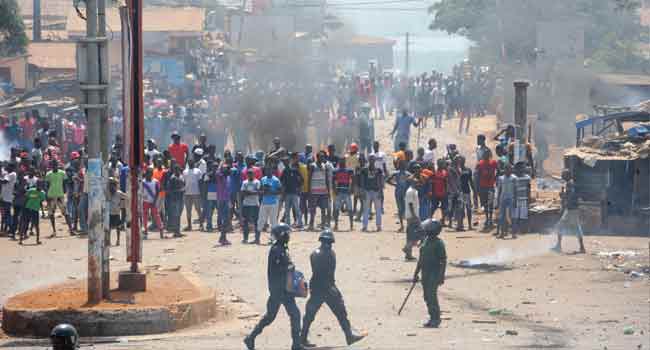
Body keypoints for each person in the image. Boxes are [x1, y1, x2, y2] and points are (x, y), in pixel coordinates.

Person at [300, 229, 365, 348]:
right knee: (340, 313)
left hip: (317, 288)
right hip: (328, 288)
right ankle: (349, 336)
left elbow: (317, 273)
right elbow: (329, 275)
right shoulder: (331, 254)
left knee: (309, 315)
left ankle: (302, 338)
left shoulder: (314, 254)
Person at [244, 224, 303, 350]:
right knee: (281, 316)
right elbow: (276, 270)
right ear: (282, 235)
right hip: (279, 290)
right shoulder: (276, 250)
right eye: (287, 234)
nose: (289, 236)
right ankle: (251, 338)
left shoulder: (282, 248)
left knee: (281, 316)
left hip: (283, 289)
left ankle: (251, 338)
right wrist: (288, 268)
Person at [412, 219, 447, 328]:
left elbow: (443, 261)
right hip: (425, 273)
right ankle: (432, 317)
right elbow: (420, 260)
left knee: (432, 296)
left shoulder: (439, 243)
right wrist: (416, 273)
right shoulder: (425, 241)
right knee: (427, 296)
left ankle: (436, 319)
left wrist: (441, 276)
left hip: (434, 273)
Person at [553, 169, 586, 254]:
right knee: (576, 228)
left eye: (563, 174)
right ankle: (581, 247)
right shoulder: (571, 182)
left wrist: (563, 197)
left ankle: (558, 246)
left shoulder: (570, 183)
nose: (562, 176)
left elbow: (571, 195)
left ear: (568, 175)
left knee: (560, 226)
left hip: (571, 209)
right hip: (572, 209)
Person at [46, 161, 72, 237]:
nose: (54, 166)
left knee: (65, 213)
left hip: (60, 196)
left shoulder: (62, 173)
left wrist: (64, 190)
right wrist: (47, 196)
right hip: (51, 196)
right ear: (51, 166)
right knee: (51, 214)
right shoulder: (48, 174)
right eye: (53, 165)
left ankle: (71, 230)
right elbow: (47, 185)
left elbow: (65, 182)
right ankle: (54, 231)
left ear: (57, 165)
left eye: (55, 165)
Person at [386, 160, 411, 232]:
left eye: (403, 165)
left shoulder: (406, 174)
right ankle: (403, 226)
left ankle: (404, 226)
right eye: (402, 165)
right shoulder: (406, 174)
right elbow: (387, 180)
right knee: (401, 209)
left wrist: (395, 184)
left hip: (401, 192)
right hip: (401, 193)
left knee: (403, 209)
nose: (402, 166)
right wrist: (394, 184)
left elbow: (388, 180)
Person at [308, 151, 331, 231]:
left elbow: (327, 180)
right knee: (313, 209)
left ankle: (323, 224)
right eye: (321, 157)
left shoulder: (325, 166)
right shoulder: (312, 166)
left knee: (323, 209)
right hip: (314, 191)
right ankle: (311, 224)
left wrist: (328, 192)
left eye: (323, 157)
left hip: (323, 191)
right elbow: (309, 179)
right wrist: (309, 191)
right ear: (317, 157)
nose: (323, 158)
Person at [360, 154, 383, 232]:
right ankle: (364, 226)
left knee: (378, 210)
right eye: (370, 159)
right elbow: (362, 181)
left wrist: (380, 192)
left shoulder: (378, 170)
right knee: (365, 209)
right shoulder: (364, 170)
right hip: (367, 191)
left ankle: (379, 226)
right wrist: (362, 191)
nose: (372, 161)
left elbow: (380, 181)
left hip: (376, 191)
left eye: (373, 159)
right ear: (368, 160)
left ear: (375, 160)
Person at [281, 153, 304, 229]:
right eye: (284, 162)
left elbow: (301, 180)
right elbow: (281, 182)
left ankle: (300, 223)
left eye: (286, 161)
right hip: (287, 193)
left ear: (289, 161)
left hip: (294, 193)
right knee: (287, 210)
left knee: (297, 209)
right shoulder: (284, 171)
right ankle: (288, 225)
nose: (285, 163)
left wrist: (299, 188)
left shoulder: (294, 170)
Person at [258, 167, 282, 238]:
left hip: (273, 202)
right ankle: (257, 238)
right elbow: (260, 190)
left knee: (273, 221)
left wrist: (271, 191)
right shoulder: (263, 179)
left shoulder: (276, 180)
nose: (268, 171)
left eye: (270, 169)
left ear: (272, 170)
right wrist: (263, 191)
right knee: (261, 220)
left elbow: (280, 191)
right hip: (264, 202)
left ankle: (273, 238)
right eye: (267, 170)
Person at [476, 150, 497, 229]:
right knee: (485, 203)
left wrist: (495, 178)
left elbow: (498, 170)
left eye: (487, 154)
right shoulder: (480, 164)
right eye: (485, 154)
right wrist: (477, 187)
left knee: (490, 203)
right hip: (483, 187)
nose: (486, 155)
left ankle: (490, 218)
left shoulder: (493, 163)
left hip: (490, 186)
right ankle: (487, 218)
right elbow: (477, 176)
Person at [332, 157, 354, 231]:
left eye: (343, 161)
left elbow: (352, 180)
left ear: (345, 162)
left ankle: (351, 225)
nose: (342, 162)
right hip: (339, 192)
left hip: (346, 192)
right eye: (341, 161)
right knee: (337, 209)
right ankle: (336, 225)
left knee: (350, 209)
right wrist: (335, 190)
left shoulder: (349, 171)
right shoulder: (335, 171)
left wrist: (351, 189)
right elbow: (333, 181)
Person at [142, 168, 164, 239]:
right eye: (148, 173)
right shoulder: (143, 182)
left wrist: (155, 201)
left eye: (150, 173)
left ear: (152, 174)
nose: (149, 174)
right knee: (145, 216)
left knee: (156, 216)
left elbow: (158, 191)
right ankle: (145, 231)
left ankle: (161, 230)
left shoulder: (156, 181)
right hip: (145, 201)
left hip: (153, 201)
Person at [241, 168, 261, 244]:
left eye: (251, 173)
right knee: (245, 221)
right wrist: (252, 192)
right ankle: (245, 238)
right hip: (246, 204)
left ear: (254, 174)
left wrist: (248, 192)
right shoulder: (244, 182)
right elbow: (243, 192)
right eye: (248, 174)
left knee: (256, 222)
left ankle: (257, 238)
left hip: (255, 204)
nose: (250, 175)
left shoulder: (257, 182)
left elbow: (258, 192)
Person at [496, 164, 516, 239]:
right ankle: (502, 233)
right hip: (503, 199)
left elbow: (515, 190)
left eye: (509, 169)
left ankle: (513, 233)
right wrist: (498, 201)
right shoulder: (501, 178)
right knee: (502, 216)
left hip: (511, 199)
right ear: (504, 170)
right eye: (506, 169)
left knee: (512, 216)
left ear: (511, 170)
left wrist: (515, 201)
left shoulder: (514, 178)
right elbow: (499, 190)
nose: (508, 170)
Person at [403, 178, 420, 261]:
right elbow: (410, 204)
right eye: (416, 182)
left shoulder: (414, 191)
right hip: (411, 216)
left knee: (411, 235)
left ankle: (408, 254)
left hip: (414, 215)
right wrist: (414, 216)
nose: (418, 184)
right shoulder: (410, 191)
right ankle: (407, 248)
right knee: (416, 234)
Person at [182, 160, 203, 232]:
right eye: (189, 162)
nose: (191, 163)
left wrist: (201, 192)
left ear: (194, 163)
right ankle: (189, 225)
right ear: (188, 163)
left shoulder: (198, 171)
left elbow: (200, 181)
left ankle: (201, 224)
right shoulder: (185, 172)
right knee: (188, 210)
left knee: (198, 209)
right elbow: (183, 182)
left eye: (192, 162)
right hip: (187, 193)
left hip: (196, 192)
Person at [165, 165, 185, 237]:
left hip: (180, 198)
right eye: (176, 170)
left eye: (178, 170)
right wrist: (179, 190)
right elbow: (169, 189)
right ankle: (176, 231)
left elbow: (183, 185)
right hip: (175, 199)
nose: (177, 171)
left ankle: (177, 231)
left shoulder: (181, 176)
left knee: (178, 215)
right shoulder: (172, 178)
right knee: (176, 215)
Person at [456, 156, 475, 231]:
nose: (461, 162)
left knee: (468, 208)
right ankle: (460, 225)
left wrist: (474, 191)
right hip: (460, 192)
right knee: (460, 209)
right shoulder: (457, 170)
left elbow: (471, 181)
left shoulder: (468, 170)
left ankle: (470, 225)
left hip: (467, 191)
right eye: (460, 161)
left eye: (462, 160)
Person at [107, 177, 127, 246]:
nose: (112, 187)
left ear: (116, 186)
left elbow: (126, 197)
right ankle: (108, 240)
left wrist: (122, 205)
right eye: (110, 185)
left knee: (117, 227)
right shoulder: (107, 193)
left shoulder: (119, 193)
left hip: (117, 213)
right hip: (109, 213)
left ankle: (118, 240)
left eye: (113, 185)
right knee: (108, 228)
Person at [216, 165, 232, 245]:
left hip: (227, 199)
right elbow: (218, 173)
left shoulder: (227, 177)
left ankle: (223, 237)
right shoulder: (220, 176)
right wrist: (221, 168)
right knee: (224, 219)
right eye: (225, 169)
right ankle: (223, 237)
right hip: (222, 200)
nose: (228, 170)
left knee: (227, 219)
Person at [513, 162, 531, 235]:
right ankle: (516, 229)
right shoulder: (514, 178)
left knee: (523, 215)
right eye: (522, 168)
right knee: (515, 216)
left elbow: (528, 189)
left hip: (524, 199)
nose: (523, 169)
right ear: (517, 169)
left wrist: (529, 198)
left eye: (524, 168)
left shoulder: (527, 177)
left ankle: (523, 229)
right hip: (516, 199)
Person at [431, 159, 448, 225]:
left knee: (444, 208)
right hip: (435, 193)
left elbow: (446, 182)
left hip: (443, 193)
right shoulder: (434, 172)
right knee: (433, 207)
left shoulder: (445, 172)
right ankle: (430, 219)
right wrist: (431, 192)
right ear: (438, 164)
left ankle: (443, 221)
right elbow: (432, 183)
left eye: (442, 163)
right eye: (440, 163)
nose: (441, 165)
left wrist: (446, 191)